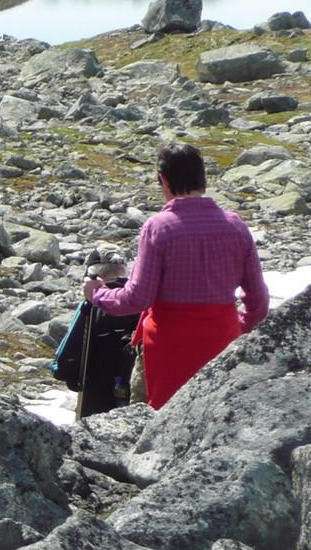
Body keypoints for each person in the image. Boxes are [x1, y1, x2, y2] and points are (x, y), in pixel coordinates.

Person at [83, 143, 268, 410]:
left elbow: (137, 298)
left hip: (168, 348)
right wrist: (238, 326)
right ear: (202, 179)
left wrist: (98, 294)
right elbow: (258, 301)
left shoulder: (159, 228)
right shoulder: (236, 226)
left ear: (164, 179)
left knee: (159, 418)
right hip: (222, 340)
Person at [52, 256, 139, 419]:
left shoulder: (92, 306)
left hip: (97, 400)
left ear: (94, 277)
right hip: (139, 393)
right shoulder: (142, 301)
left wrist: (66, 374)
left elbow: (66, 360)